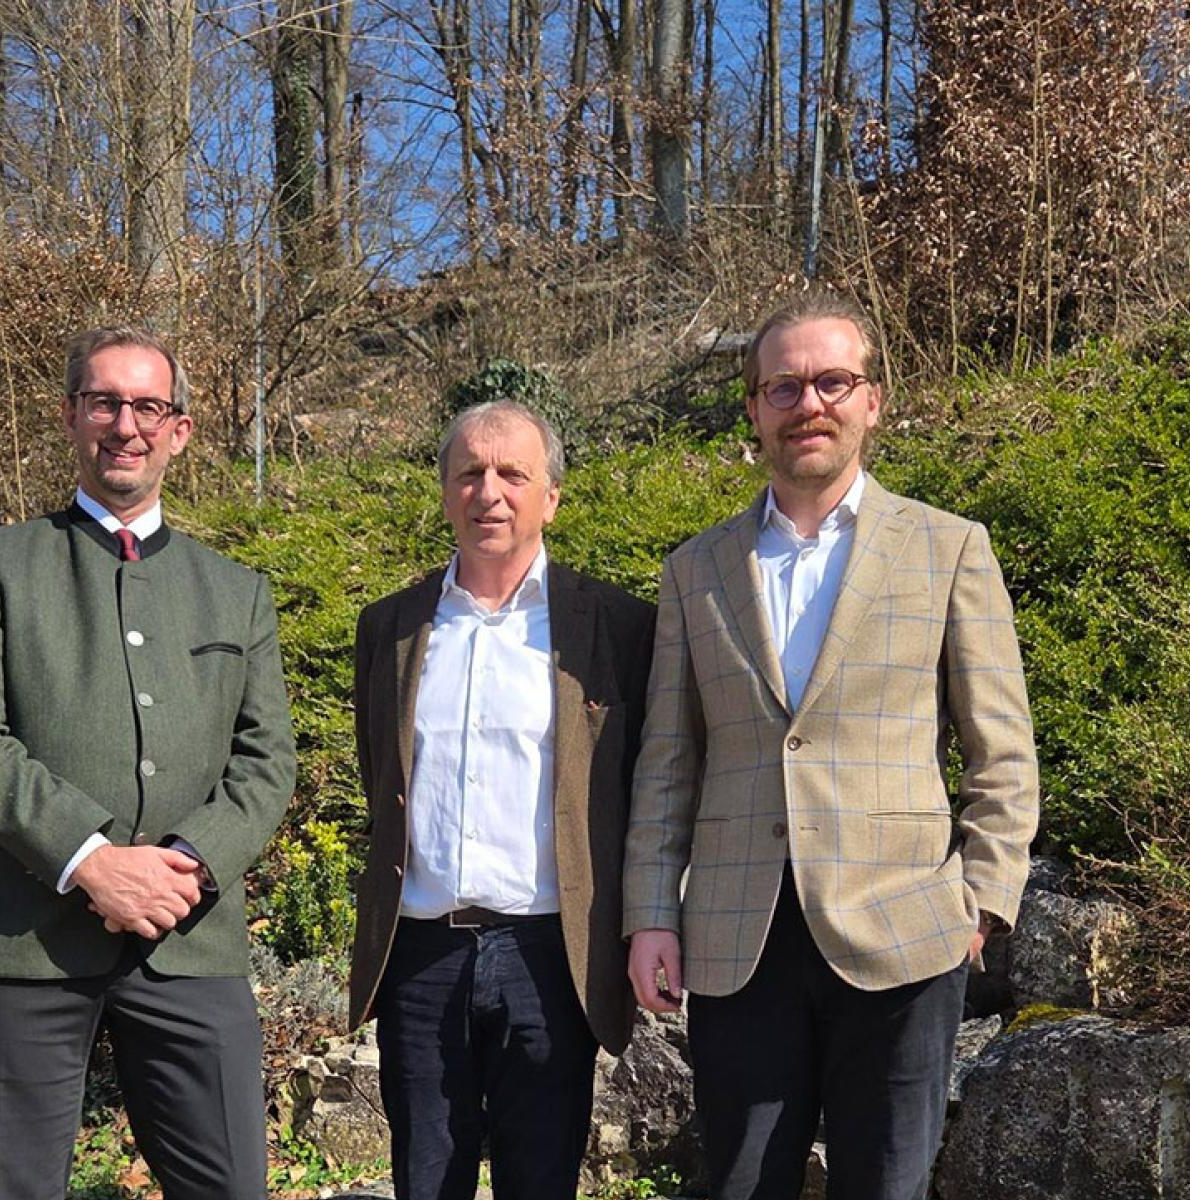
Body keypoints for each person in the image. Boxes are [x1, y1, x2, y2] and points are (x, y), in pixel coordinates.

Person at [621, 293, 1039, 1200]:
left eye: (832, 381)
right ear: (754, 411)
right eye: (784, 387)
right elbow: (667, 763)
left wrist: (983, 901)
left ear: (873, 400)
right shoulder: (695, 571)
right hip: (739, 938)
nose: (809, 403)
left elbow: (1000, 748)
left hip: (905, 932)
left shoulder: (949, 549)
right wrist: (651, 911)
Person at [0, 325, 296, 1200]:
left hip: (189, 941)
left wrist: (188, 866)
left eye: (148, 406)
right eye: (105, 402)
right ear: (70, 416)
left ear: (180, 430)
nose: (125, 425)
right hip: (19, 945)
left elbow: (266, 759)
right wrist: (91, 861)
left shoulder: (237, 591)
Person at [348, 401, 655, 1200]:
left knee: (542, 1180)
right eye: (470, 473)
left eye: (513, 473)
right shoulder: (389, 628)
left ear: (550, 494)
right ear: (445, 492)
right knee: (425, 1179)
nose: (490, 491)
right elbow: (379, 773)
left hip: (550, 956)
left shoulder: (617, 627)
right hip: (420, 956)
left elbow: (646, 785)